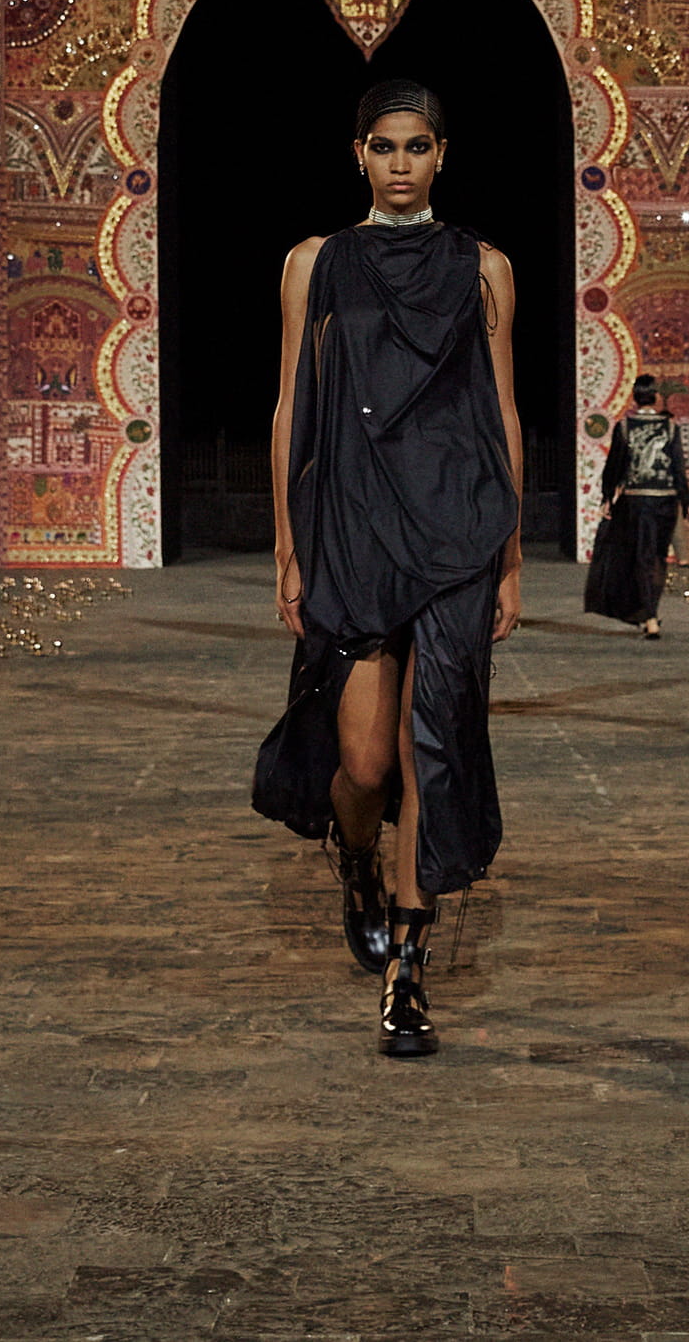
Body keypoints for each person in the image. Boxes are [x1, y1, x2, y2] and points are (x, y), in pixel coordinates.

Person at [253, 79, 523, 1059]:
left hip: (457, 528)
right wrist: (289, 544)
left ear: (442, 155)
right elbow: (291, 404)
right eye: (384, 146)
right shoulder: (314, 264)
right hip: (357, 530)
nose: (400, 163)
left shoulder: (483, 268)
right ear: (357, 154)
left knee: (430, 749)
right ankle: (358, 860)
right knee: (364, 765)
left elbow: (501, 409)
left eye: (417, 146)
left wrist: (509, 556)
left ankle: (408, 973)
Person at [584, 373, 689, 637]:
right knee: (657, 558)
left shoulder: (625, 426)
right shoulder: (669, 427)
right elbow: (677, 467)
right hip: (665, 500)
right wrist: (686, 501)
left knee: (640, 558)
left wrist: (607, 497)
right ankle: (650, 612)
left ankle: (649, 616)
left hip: (636, 501)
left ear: (635, 398)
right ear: (655, 397)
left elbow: (614, 466)